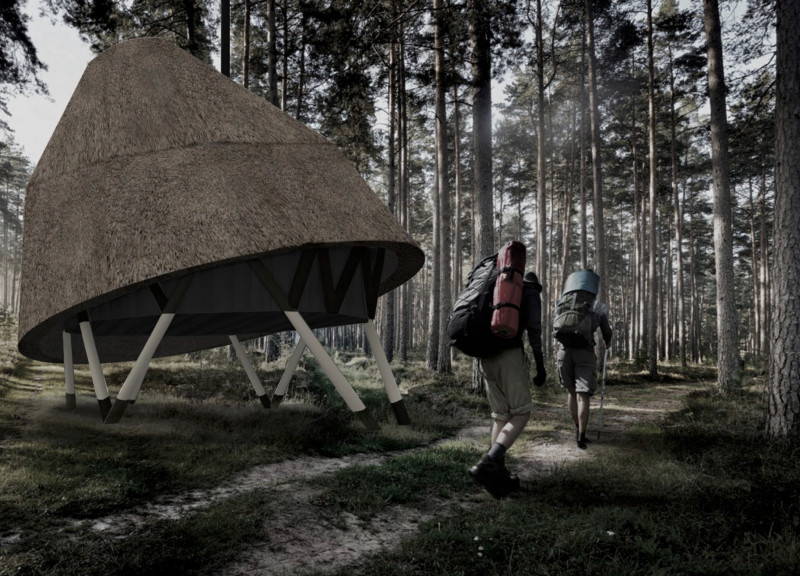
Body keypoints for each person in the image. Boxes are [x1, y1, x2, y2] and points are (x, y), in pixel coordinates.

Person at [468, 270, 546, 499]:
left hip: (485, 357)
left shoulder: (495, 288)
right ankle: (488, 463)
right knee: (521, 413)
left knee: (501, 415)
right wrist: (540, 366)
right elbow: (534, 330)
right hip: (509, 355)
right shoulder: (531, 293)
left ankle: (496, 477)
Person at [554, 269, 612, 450]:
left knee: (571, 393)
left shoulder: (562, 304)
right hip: (585, 353)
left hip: (564, 352)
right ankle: (581, 436)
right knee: (583, 396)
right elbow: (607, 332)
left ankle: (576, 427)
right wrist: (608, 345)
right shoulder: (597, 308)